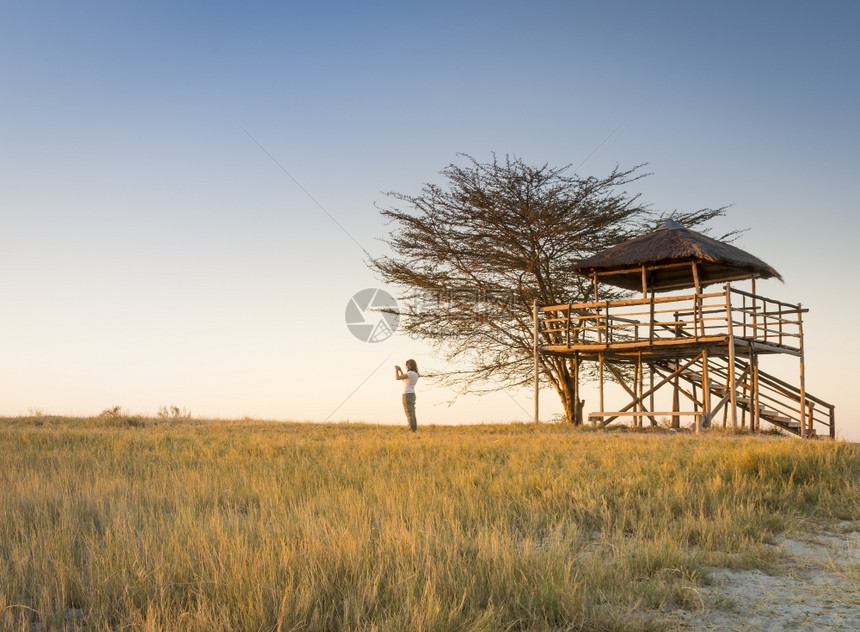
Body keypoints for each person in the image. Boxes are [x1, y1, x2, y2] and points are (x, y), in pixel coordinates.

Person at [395, 359, 419, 432]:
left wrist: (396, 371)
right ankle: (414, 429)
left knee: (408, 412)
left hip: (407, 394)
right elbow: (404, 380)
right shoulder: (415, 374)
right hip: (412, 394)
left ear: (410, 365)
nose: (406, 367)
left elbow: (397, 378)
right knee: (412, 412)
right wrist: (400, 370)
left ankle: (411, 430)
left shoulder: (410, 373)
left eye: (407, 365)